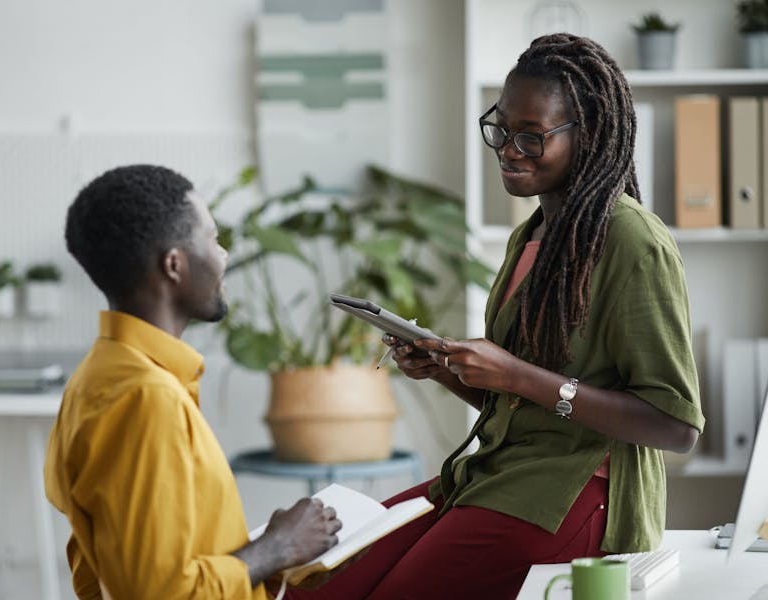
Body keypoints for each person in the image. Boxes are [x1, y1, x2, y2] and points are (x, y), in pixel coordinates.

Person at [284, 33, 705, 600]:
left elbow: (675, 425)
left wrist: (515, 374)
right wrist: (449, 370)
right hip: (497, 473)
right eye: (502, 129)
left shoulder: (631, 239)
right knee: (322, 582)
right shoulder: (531, 236)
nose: (509, 149)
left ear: (590, 134)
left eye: (532, 136)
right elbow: (521, 406)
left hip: (573, 495)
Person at [43, 164, 342, 600]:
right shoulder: (146, 399)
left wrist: (283, 561)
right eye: (214, 240)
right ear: (174, 264)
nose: (223, 257)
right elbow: (158, 592)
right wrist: (276, 547)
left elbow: (101, 567)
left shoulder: (99, 375)